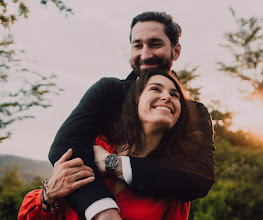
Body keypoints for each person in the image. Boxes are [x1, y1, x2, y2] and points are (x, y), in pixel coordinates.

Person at [47, 11, 215, 219]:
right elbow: (66, 148)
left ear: (176, 51)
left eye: (155, 44)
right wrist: (102, 208)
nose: (144, 55)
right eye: (137, 45)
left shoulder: (194, 111)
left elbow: (200, 178)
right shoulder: (108, 91)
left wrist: (113, 163)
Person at [19, 70, 202, 219]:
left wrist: (110, 162)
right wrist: (48, 195)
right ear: (135, 101)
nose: (167, 97)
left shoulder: (174, 183)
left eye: (174, 94)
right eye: (155, 89)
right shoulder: (89, 147)